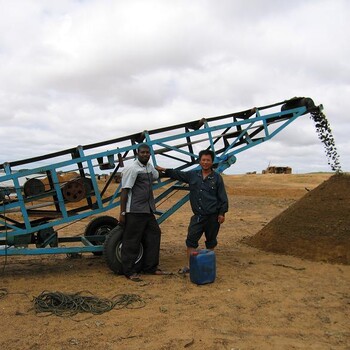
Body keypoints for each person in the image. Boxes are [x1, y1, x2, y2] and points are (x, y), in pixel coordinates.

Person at [156, 149, 228, 274]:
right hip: (198, 217)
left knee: (211, 242)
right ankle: (190, 266)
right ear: (200, 161)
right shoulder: (193, 175)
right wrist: (165, 170)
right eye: (203, 160)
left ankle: (208, 265)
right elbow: (178, 174)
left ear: (212, 162)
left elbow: (223, 197)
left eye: (208, 160)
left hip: (213, 217)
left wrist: (222, 213)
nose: (205, 162)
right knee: (191, 241)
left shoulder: (217, 178)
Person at [119, 143, 168, 282]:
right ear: (137, 153)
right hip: (134, 211)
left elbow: (156, 175)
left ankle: (150, 267)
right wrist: (123, 213)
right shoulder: (132, 169)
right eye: (143, 152)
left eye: (147, 152)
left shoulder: (148, 167)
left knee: (154, 234)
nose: (145, 154)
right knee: (132, 240)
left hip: (148, 209)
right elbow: (125, 191)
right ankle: (128, 271)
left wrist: (170, 172)